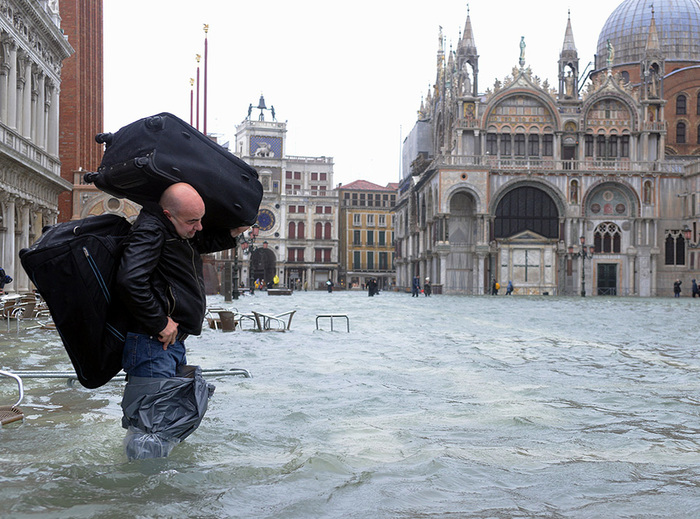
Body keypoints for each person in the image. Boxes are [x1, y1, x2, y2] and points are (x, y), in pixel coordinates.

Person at [116, 183, 248, 457]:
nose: (199, 227)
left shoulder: (171, 230)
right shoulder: (150, 231)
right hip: (153, 342)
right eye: (192, 221)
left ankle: (154, 490)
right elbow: (130, 280)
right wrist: (159, 322)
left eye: (200, 219)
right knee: (150, 431)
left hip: (166, 344)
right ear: (168, 214)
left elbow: (199, 242)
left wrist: (232, 233)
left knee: (158, 426)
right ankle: (144, 496)